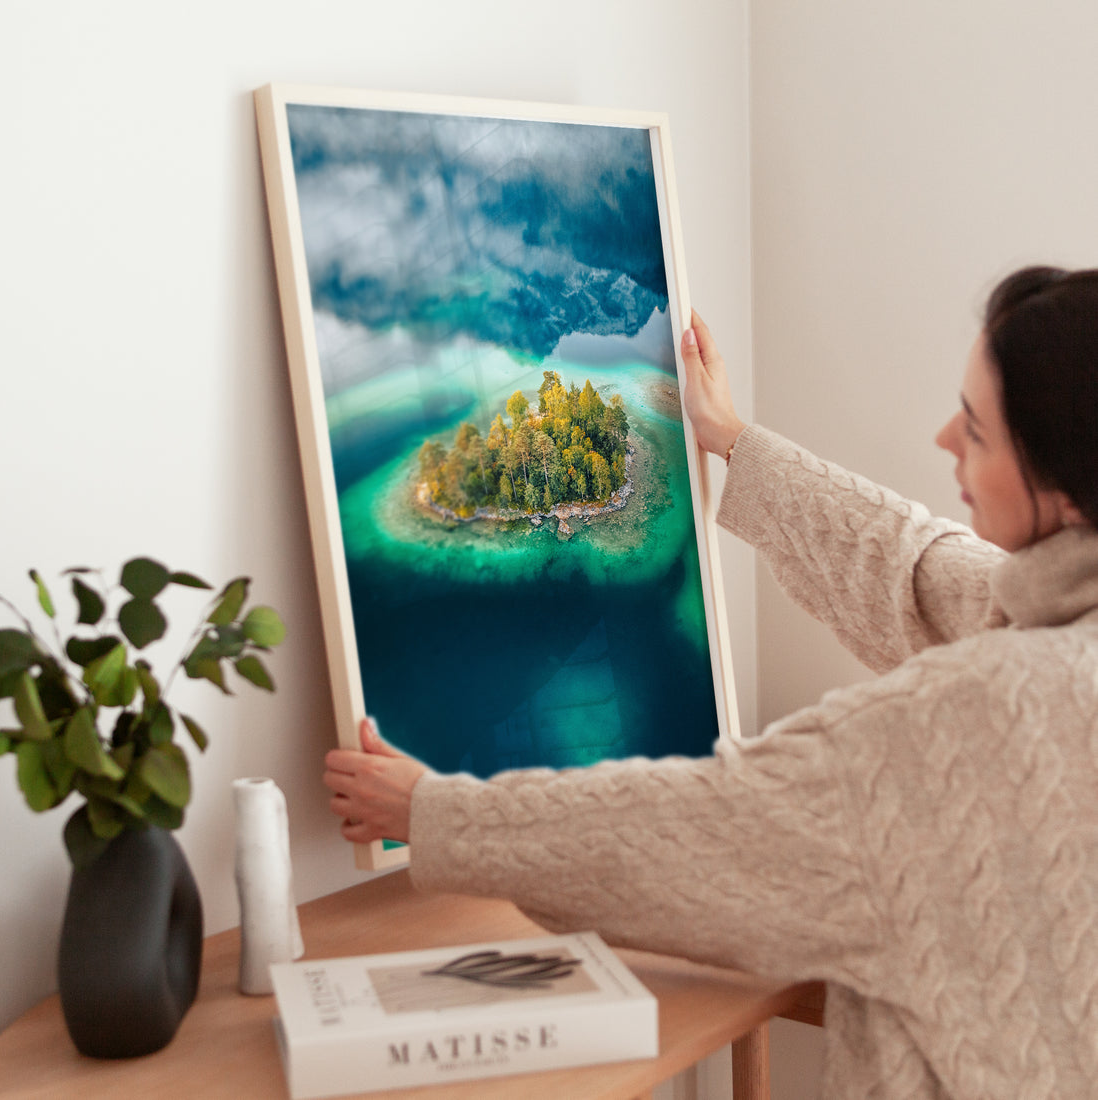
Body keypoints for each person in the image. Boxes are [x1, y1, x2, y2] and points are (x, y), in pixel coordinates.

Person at [323, 265, 1098, 1099]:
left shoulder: (976, 718)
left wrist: (432, 813)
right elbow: (916, 569)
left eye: (977, 431)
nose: (945, 438)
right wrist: (732, 440)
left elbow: (701, 827)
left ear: (1062, 488)